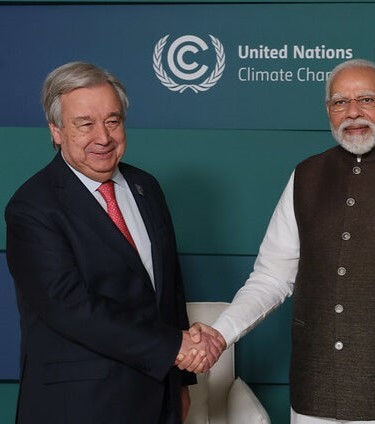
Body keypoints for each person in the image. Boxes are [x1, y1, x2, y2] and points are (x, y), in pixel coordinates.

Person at [196, 58, 375, 424]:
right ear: (328, 111)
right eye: (339, 102)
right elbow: (271, 278)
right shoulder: (305, 176)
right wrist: (219, 335)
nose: (353, 113)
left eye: (366, 100)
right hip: (316, 395)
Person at [5, 61, 225, 424]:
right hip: (80, 405)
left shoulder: (146, 187)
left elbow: (169, 292)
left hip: (158, 397)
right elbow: (69, 307)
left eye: (112, 120)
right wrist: (175, 348)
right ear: (56, 130)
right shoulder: (32, 206)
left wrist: (182, 383)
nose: (103, 137)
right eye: (85, 124)